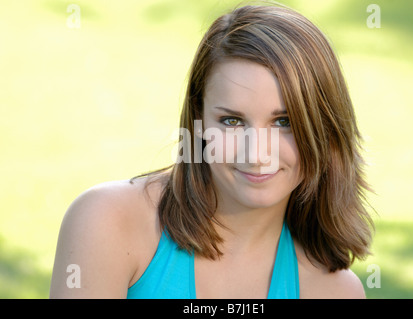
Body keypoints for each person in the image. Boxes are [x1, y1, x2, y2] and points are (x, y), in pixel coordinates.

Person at [50, 3, 374, 299]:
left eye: (284, 121)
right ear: (198, 122)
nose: (256, 154)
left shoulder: (334, 290)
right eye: (232, 121)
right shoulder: (108, 223)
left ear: (326, 128)